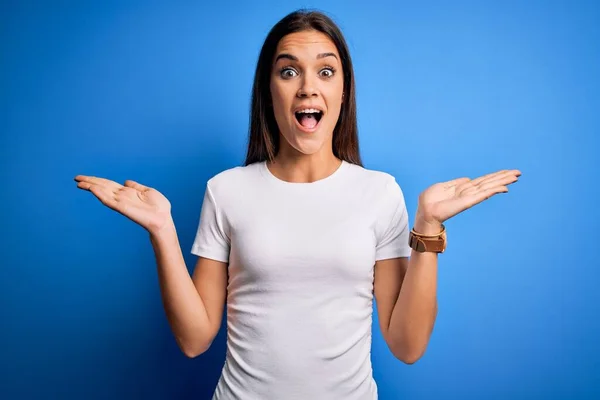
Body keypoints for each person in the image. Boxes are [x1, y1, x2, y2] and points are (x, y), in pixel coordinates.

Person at [74, 9, 520, 400]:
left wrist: (427, 227)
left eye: (326, 71)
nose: (308, 87)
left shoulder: (380, 193)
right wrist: (162, 231)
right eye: (289, 72)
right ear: (269, 91)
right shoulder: (226, 190)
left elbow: (407, 346)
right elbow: (194, 340)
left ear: (344, 91)